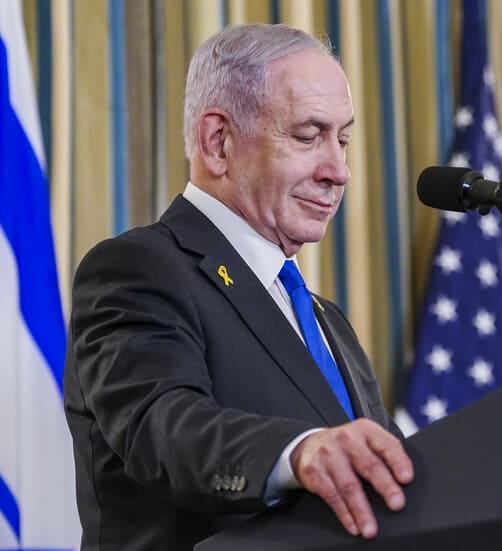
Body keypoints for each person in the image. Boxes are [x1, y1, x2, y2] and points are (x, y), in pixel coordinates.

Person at [64, 23, 413, 550]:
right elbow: (163, 427)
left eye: (342, 140)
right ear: (218, 142)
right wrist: (299, 452)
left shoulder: (327, 320)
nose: (338, 171)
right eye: (308, 136)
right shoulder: (138, 269)